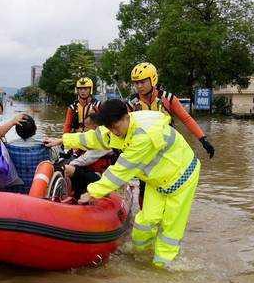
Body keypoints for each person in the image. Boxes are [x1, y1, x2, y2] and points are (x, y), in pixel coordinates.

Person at [45, 99, 200, 268]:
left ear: (127, 117)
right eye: (110, 127)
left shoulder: (142, 136)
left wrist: (92, 192)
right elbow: (94, 137)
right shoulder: (117, 128)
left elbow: (121, 172)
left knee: (169, 231)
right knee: (144, 223)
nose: (114, 132)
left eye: (115, 127)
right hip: (158, 181)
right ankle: (140, 258)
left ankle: (161, 268)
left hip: (181, 177)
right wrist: (62, 140)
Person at [127, 62, 215, 158]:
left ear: (153, 79)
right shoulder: (131, 104)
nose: (139, 86)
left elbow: (186, 119)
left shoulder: (168, 98)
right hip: (144, 151)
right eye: (136, 83)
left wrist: (203, 139)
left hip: (168, 148)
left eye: (143, 82)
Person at [60, 113, 113, 197]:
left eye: (87, 127)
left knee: (72, 169)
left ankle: (77, 196)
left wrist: (70, 166)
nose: (84, 130)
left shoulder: (103, 141)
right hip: (94, 171)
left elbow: (86, 159)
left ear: (95, 127)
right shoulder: (97, 138)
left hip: (101, 176)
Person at [4, 115, 51, 194]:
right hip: (38, 188)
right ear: (34, 129)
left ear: (17, 130)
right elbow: (53, 160)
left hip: (14, 189)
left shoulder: (7, 147)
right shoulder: (45, 145)